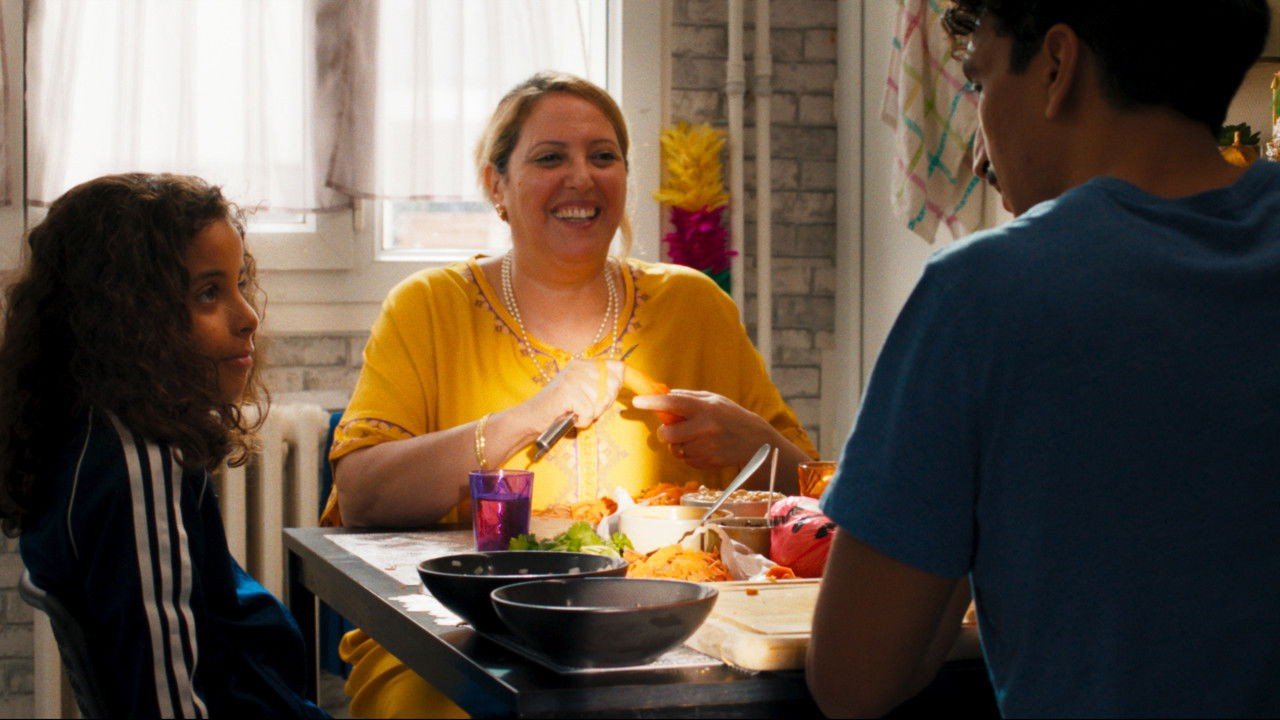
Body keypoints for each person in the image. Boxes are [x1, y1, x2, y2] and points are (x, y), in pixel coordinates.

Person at [808, 0, 1280, 717]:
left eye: (980, 81)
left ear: (1057, 65)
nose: (981, 152)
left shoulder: (986, 294)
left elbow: (853, 680)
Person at [320, 72, 817, 717]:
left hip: (669, 638)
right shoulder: (427, 308)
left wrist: (758, 443)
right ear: (496, 185)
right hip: (459, 637)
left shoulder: (695, 304)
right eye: (550, 158)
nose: (581, 177)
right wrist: (527, 417)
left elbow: (813, 503)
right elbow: (363, 497)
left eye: (603, 156)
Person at [0, 174, 328, 718]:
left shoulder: (91, 434)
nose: (248, 317)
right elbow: (165, 699)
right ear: (125, 319)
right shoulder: (135, 465)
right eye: (208, 293)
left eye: (240, 284)